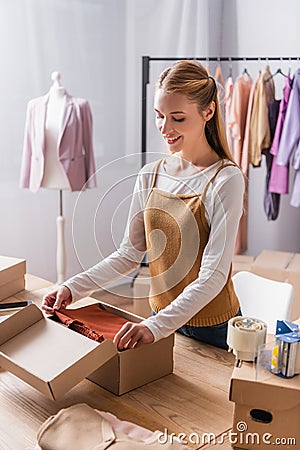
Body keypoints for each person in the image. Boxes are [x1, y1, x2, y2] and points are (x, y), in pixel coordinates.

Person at [42, 60, 244, 351]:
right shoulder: (150, 174)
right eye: (159, 115)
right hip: (158, 319)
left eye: (177, 118)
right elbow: (129, 254)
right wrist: (73, 287)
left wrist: (155, 326)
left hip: (213, 328)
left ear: (208, 112)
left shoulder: (226, 180)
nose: (165, 127)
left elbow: (213, 276)